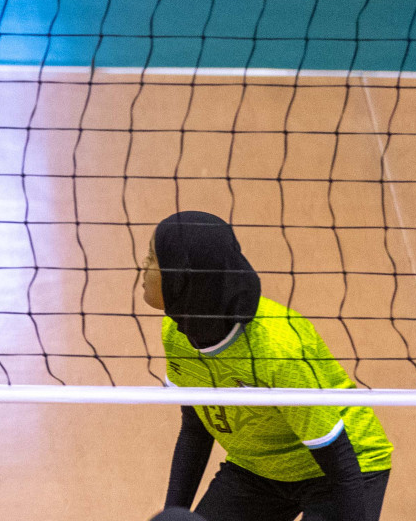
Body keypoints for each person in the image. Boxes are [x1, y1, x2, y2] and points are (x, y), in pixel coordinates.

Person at [143, 211, 393, 521]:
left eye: (152, 258)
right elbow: (197, 429)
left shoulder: (277, 350)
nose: (143, 266)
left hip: (342, 470)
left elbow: (342, 467)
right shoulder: (177, 332)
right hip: (257, 471)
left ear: (182, 277)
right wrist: (174, 514)